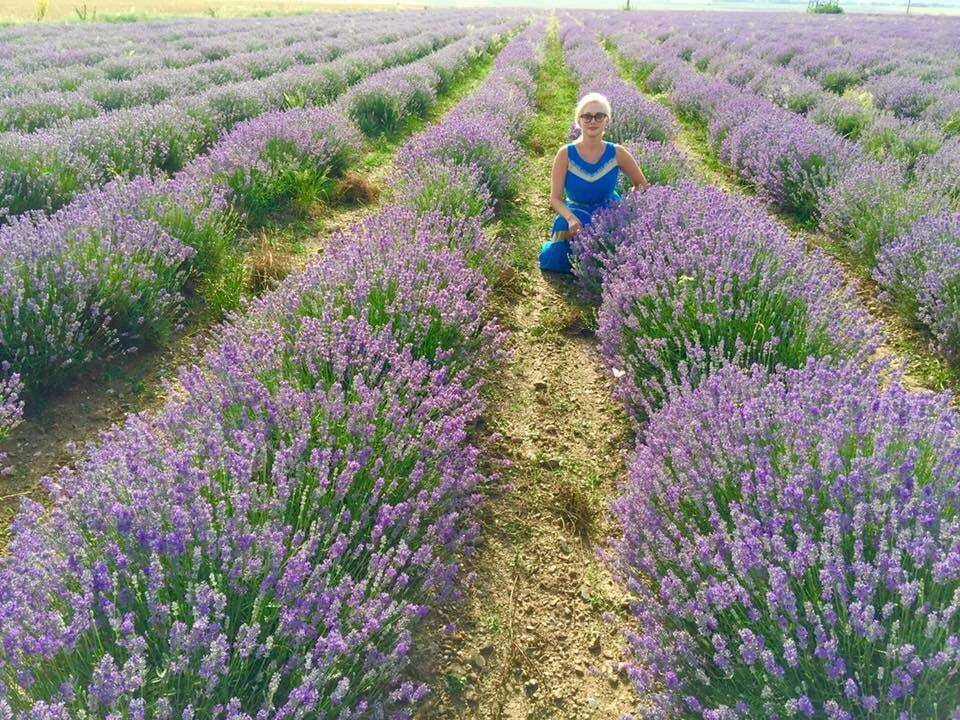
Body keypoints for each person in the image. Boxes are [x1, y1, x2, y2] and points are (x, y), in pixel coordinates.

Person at [539, 92, 650, 274]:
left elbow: (642, 185)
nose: (593, 121)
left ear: (607, 121)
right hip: (576, 213)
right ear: (579, 121)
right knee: (559, 255)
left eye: (599, 116)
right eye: (587, 116)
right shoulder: (565, 154)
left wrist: (627, 206)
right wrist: (570, 218)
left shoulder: (617, 153)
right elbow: (555, 199)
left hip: (607, 213)